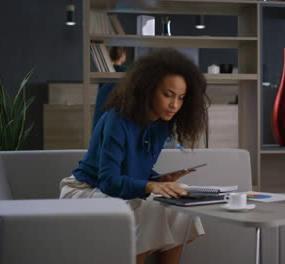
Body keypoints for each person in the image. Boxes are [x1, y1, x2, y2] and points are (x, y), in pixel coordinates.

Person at [59, 48, 210, 264]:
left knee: (180, 200)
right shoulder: (117, 120)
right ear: (148, 89)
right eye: (168, 95)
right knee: (143, 206)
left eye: (181, 98)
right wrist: (150, 186)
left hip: (112, 189)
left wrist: (159, 180)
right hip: (86, 190)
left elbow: (134, 169)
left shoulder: (161, 125)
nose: (174, 105)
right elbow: (109, 181)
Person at [92, 46, 128, 129]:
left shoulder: (104, 71)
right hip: (119, 110)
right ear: (122, 55)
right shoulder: (127, 70)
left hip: (103, 111)